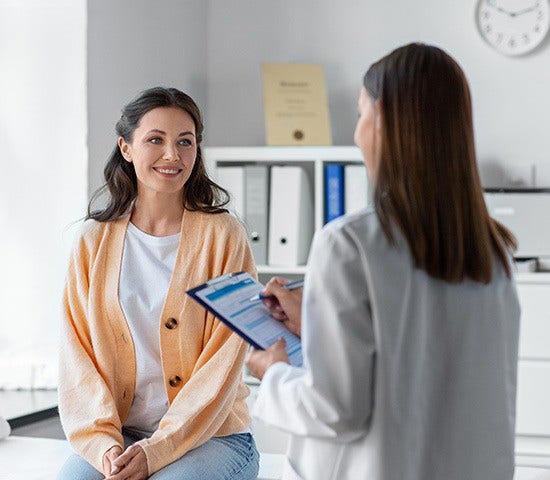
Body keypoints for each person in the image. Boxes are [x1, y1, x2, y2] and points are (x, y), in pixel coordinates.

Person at [246, 43, 520, 480]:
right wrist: (316, 324)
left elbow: (335, 410)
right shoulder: (493, 251)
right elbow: (425, 355)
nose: (357, 134)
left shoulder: (349, 243)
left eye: (361, 113)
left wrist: (272, 373)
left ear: (386, 120)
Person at [58, 87, 260, 480]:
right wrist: (104, 446)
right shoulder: (92, 241)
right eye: (155, 140)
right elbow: (75, 356)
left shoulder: (224, 236)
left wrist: (158, 451)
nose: (172, 155)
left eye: (185, 142)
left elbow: (225, 360)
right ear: (126, 147)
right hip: (119, 434)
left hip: (214, 437)